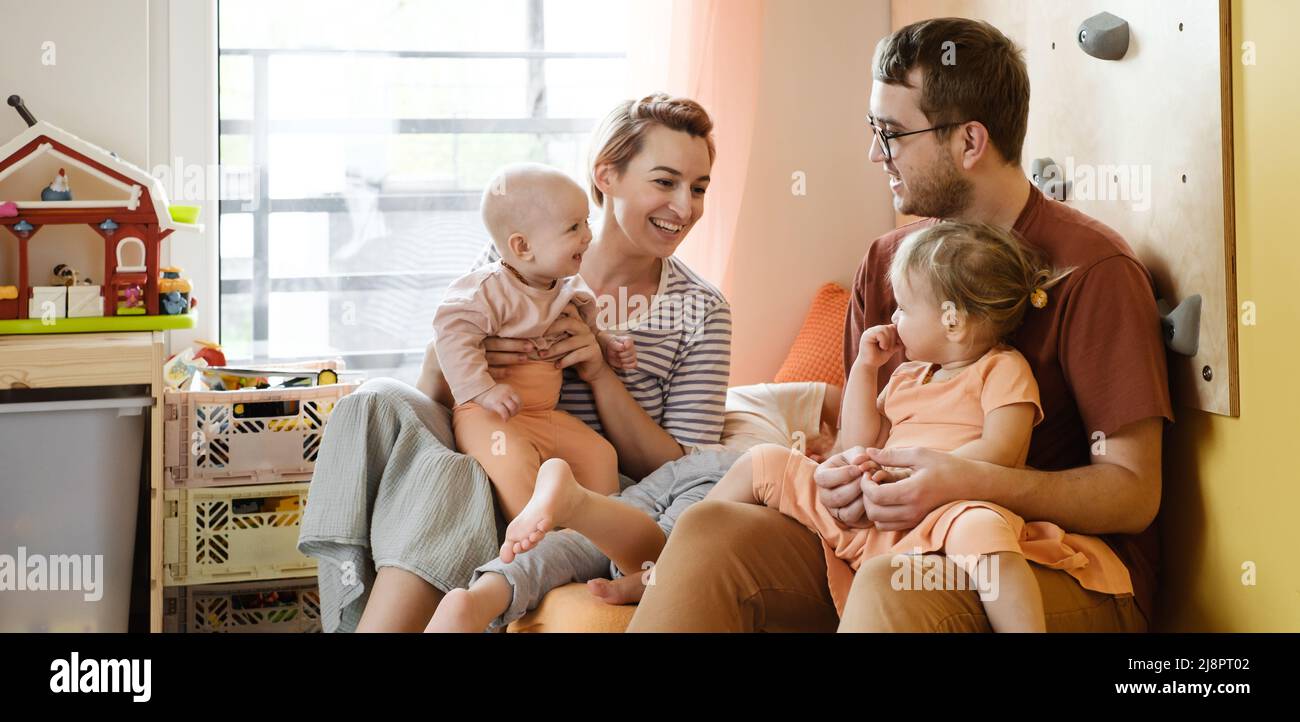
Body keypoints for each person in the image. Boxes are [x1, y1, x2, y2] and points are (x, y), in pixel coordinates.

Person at [628, 17, 1173, 633]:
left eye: (890, 134)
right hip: (889, 538)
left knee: (901, 582)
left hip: (1046, 562)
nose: (873, 153)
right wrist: (839, 476)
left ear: (969, 142)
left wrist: (966, 480)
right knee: (712, 526)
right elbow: (863, 437)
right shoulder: (888, 263)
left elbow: (1132, 492)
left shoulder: (1092, 269)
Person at [298, 94, 732, 632]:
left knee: (446, 478)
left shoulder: (703, 310)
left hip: (588, 489)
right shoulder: (518, 253)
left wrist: (599, 374)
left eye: (699, 188)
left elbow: (684, 472)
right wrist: (458, 368)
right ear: (607, 176)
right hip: (493, 440)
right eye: (665, 182)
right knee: (376, 402)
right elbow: (440, 389)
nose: (685, 207)